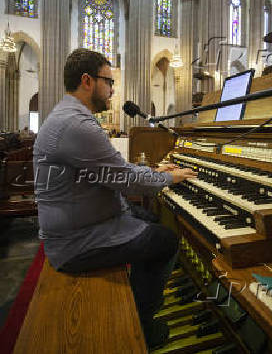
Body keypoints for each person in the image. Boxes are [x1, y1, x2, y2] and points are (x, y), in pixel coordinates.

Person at [33, 48, 197, 349]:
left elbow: (113, 168)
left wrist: (154, 169)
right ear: (87, 81)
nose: (112, 90)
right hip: (75, 242)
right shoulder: (76, 125)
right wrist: (166, 178)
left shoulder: (69, 116)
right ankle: (141, 321)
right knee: (165, 241)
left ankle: (142, 292)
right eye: (108, 82)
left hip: (79, 224)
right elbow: (125, 179)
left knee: (147, 217)